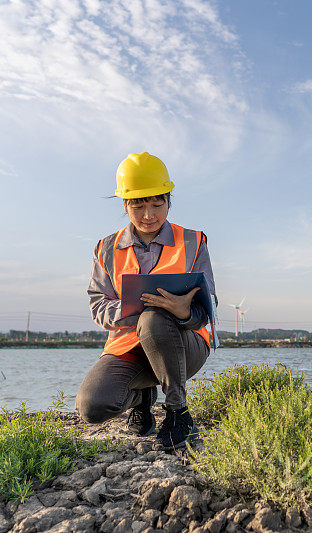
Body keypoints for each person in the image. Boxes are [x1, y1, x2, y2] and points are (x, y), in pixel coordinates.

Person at [76, 152, 216, 451]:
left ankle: (178, 412)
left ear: (169, 200)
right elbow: (98, 306)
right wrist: (135, 309)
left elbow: (208, 308)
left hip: (184, 345)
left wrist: (184, 312)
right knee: (92, 407)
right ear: (125, 204)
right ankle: (143, 397)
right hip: (129, 347)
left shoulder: (193, 241)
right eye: (138, 205)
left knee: (154, 319)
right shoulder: (106, 248)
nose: (148, 214)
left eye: (157, 204)